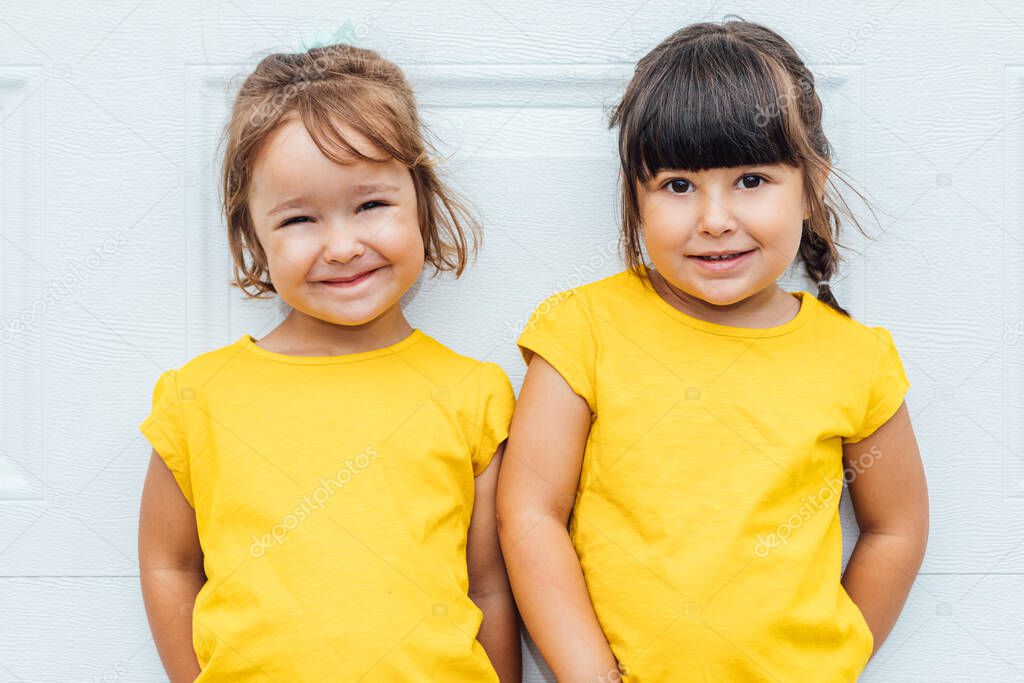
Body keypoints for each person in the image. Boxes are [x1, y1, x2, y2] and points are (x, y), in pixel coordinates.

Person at [497, 19, 928, 682]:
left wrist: (835, 658)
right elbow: (530, 512)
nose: (715, 218)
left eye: (751, 180)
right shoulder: (582, 330)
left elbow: (896, 526)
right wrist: (586, 670)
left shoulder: (854, 358)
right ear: (635, 198)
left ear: (811, 184)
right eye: (677, 185)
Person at [138, 43, 520, 682]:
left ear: (421, 201)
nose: (342, 247)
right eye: (299, 218)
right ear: (250, 234)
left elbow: (489, 587)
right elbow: (169, 565)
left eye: (371, 205)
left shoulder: (471, 393)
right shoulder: (197, 397)